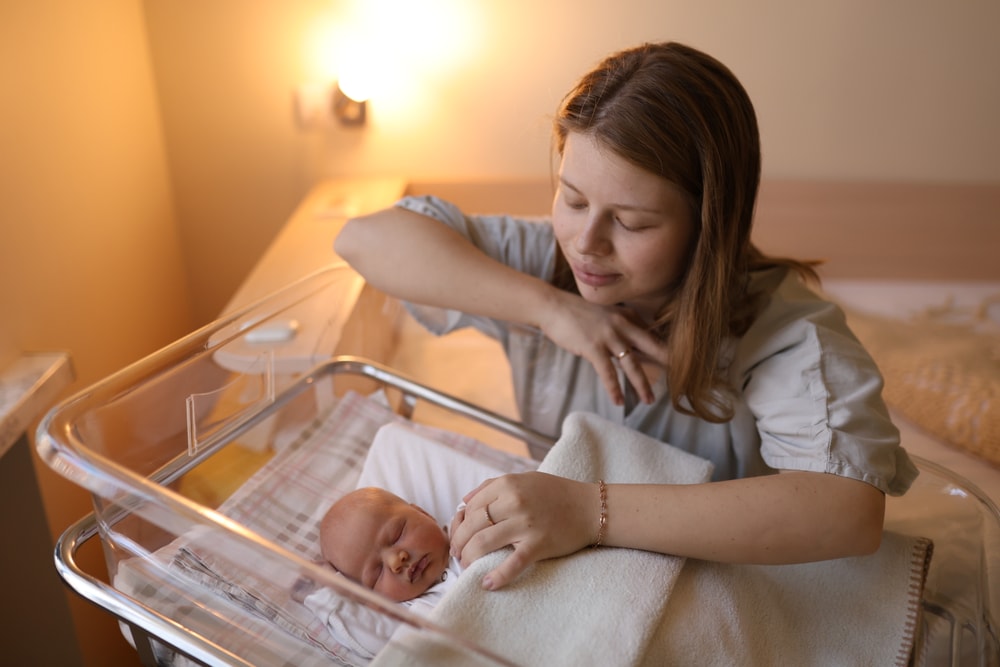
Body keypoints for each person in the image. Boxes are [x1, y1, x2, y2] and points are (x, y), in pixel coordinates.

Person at [334, 41, 918, 593]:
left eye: (631, 222)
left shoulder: (786, 334)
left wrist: (587, 510)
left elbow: (846, 512)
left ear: (708, 225)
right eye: (573, 199)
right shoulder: (542, 264)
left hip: (720, 584)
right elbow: (363, 239)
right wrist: (550, 308)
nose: (586, 243)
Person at [318, 486, 460, 603]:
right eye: (377, 573)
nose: (395, 561)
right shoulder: (407, 615)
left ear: (422, 513)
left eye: (397, 535)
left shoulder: (464, 521)